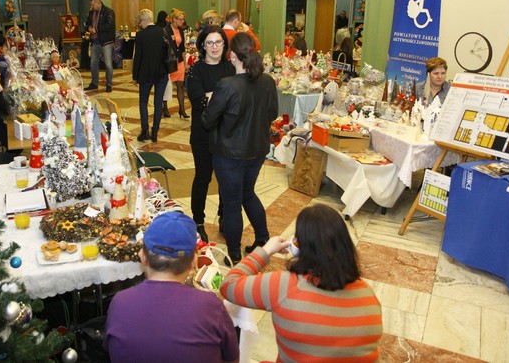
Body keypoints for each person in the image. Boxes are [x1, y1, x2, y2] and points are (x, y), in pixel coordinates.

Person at [220, 204, 383, 362]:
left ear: (298, 246)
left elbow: (229, 284)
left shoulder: (283, 286)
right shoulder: (368, 295)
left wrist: (265, 251)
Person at [104, 211, 239, 363]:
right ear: (193, 262)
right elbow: (233, 359)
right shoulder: (211, 306)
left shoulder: (119, 302)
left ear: (142, 257)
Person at [202, 32, 278, 264]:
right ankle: (262, 239)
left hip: (229, 154)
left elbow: (207, 121)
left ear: (232, 55)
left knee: (232, 203)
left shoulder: (227, 85)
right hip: (257, 150)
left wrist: (210, 103)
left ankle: (234, 253)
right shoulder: (267, 81)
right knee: (248, 194)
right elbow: (272, 114)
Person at [186, 25, 234, 243]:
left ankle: (224, 217)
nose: (215, 47)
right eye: (210, 42)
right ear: (203, 45)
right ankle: (198, 221)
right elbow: (199, 101)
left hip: (226, 132)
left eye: (218, 42)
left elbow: (237, 97)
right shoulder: (195, 70)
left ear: (224, 44)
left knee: (226, 178)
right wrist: (225, 95)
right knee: (203, 177)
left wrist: (214, 95)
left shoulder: (230, 68)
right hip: (202, 133)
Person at [133, 9, 169, 143]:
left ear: (144, 20)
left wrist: (135, 76)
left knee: (143, 101)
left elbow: (138, 57)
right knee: (158, 102)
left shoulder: (140, 35)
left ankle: (145, 131)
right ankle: (155, 132)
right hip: (162, 72)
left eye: (140, 21)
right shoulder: (163, 32)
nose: (140, 24)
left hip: (145, 73)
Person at [84, 0, 116, 92]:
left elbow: (109, 25)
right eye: (91, 5)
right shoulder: (91, 13)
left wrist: (96, 29)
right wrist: (89, 28)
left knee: (108, 64)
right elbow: (87, 23)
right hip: (95, 41)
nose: (91, 7)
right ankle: (94, 83)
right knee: (93, 63)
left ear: (99, 3)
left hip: (106, 41)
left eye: (93, 5)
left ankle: (109, 84)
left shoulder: (108, 12)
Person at [165, 8, 189, 119]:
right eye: (180, 19)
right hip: (169, 61)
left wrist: (185, 63)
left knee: (180, 85)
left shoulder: (181, 31)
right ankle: (164, 107)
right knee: (167, 85)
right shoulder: (166, 30)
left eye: (183, 20)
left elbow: (183, 48)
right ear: (174, 19)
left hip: (179, 61)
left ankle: (182, 109)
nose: (182, 22)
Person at [156, 10, 172, 118]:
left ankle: (165, 106)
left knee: (168, 86)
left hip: (166, 61)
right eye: (167, 18)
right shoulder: (158, 29)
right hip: (159, 61)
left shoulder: (168, 28)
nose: (168, 19)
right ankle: (160, 108)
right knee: (160, 86)